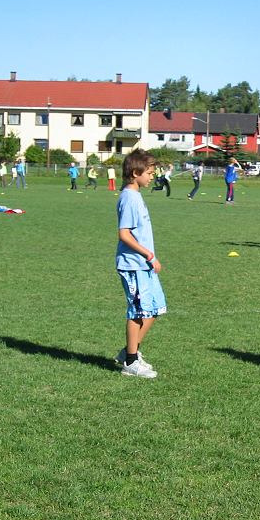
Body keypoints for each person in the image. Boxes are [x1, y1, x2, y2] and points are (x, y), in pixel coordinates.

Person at [113, 149, 166, 379]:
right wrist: (149, 255)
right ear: (136, 173)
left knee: (154, 309)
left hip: (144, 265)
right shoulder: (129, 198)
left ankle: (128, 352)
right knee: (137, 312)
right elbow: (124, 234)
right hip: (134, 265)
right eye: (150, 173)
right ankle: (131, 362)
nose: (152, 176)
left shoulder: (136, 195)